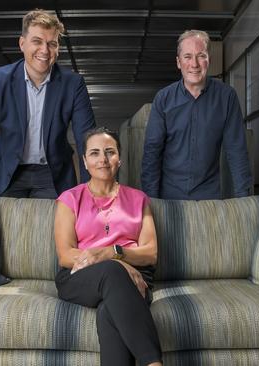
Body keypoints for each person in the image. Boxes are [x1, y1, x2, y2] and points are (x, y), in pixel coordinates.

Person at [54, 127, 163, 366]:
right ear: (84, 161)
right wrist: (116, 263)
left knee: (108, 313)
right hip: (80, 275)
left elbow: (150, 253)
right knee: (113, 272)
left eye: (109, 152)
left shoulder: (138, 199)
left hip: (136, 277)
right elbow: (65, 255)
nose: (102, 159)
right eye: (94, 153)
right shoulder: (69, 199)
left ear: (119, 159)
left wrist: (115, 253)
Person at [0, 9, 95, 198]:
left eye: (52, 44)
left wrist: (91, 192)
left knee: (53, 226)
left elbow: (87, 141)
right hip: (8, 172)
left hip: (53, 174)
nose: (44, 50)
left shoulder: (73, 84)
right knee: (7, 225)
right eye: (37, 41)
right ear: (22, 44)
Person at [141, 30, 252, 200]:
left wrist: (245, 200)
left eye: (201, 56)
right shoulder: (163, 99)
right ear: (178, 62)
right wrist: (149, 201)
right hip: (169, 197)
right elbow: (152, 153)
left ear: (209, 60)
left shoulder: (226, 97)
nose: (194, 64)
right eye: (187, 57)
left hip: (209, 198)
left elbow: (237, 151)